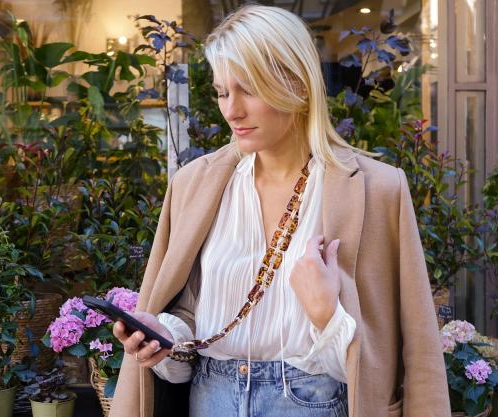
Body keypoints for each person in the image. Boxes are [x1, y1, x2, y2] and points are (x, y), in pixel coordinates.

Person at [109, 5, 450, 417]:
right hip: (209, 399)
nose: (231, 110)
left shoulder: (378, 189)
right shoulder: (195, 185)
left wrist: (326, 313)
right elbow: (191, 316)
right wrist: (165, 338)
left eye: (248, 89)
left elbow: (409, 351)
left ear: (298, 85)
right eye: (221, 92)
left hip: (315, 402)